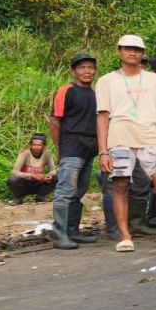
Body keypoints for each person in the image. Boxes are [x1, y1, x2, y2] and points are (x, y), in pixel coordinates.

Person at [96, 34, 156, 252]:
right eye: (127, 49)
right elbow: (102, 117)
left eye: (137, 50)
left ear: (143, 54)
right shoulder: (106, 81)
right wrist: (103, 151)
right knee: (120, 185)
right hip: (119, 139)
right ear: (119, 52)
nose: (132, 53)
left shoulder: (155, 80)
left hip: (151, 138)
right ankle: (125, 237)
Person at [47, 52, 99, 249]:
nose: (87, 71)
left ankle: (72, 231)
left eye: (90, 68)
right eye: (82, 67)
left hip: (89, 147)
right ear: (73, 71)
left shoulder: (95, 94)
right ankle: (59, 234)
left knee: (80, 189)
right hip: (71, 145)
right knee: (66, 189)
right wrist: (59, 148)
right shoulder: (66, 90)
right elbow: (55, 121)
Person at [7, 134, 57, 205]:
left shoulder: (47, 153)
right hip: (24, 184)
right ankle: (18, 198)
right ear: (30, 145)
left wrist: (48, 176)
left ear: (44, 146)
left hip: (39, 182)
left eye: (39, 145)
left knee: (56, 176)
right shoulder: (24, 153)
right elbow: (15, 172)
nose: (36, 147)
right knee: (13, 179)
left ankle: (41, 196)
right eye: (34, 145)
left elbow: (53, 170)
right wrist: (31, 175)